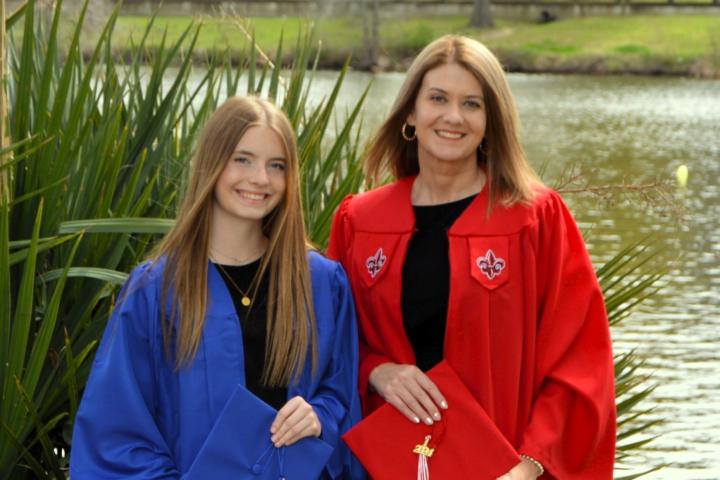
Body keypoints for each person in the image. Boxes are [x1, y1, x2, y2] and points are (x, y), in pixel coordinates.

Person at [328, 35, 615, 479]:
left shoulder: (532, 220)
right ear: (411, 111)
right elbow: (331, 343)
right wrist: (376, 370)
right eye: (438, 98)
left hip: (504, 468)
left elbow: (578, 360)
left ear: (491, 120)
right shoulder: (361, 222)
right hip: (387, 465)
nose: (453, 117)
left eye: (472, 104)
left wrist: (527, 466)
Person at [71, 96, 363, 479]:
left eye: (277, 166)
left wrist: (318, 417)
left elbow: (341, 393)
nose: (260, 178)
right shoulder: (156, 290)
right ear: (212, 162)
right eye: (242, 159)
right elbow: (117, 430)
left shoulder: (321, 284)